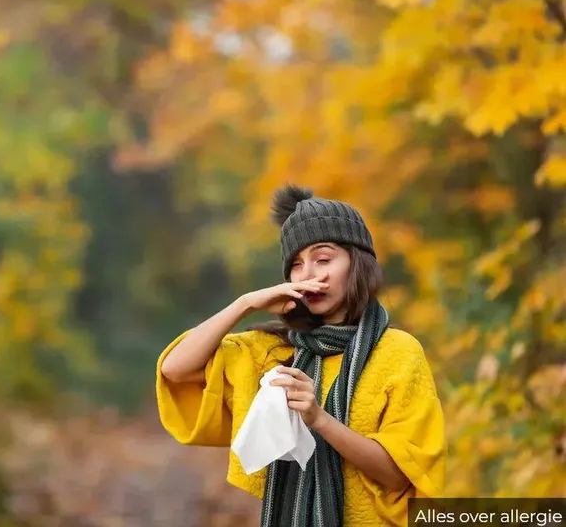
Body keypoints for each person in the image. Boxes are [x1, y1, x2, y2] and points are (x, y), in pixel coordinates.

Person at [155, 185, 446, 526]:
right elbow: (176, 369)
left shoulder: (398, 352)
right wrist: (246, 303)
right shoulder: (274, 352)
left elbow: (400, 475)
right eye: (296, 265)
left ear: (358, 264)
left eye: (323, 259)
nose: (308, 274)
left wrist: (319, 419)